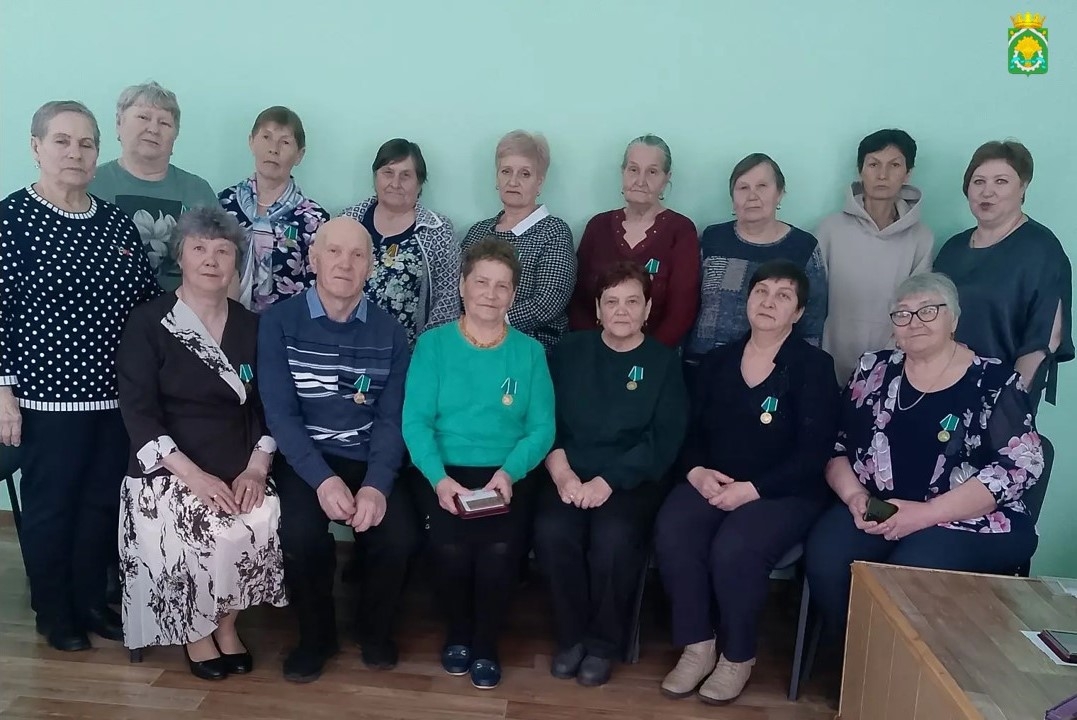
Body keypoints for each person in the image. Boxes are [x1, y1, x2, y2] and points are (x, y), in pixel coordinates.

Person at [805, 272, 1042, 654]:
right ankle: (858, 660)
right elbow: (836, 444)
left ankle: (901, 672)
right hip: (878, 504)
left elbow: (1019, 468)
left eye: (928, 310)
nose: (914, 321)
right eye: (902, 313)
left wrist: (927, 513)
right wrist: (854, 497)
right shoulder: (872, 370)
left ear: (954, 319)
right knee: (826, 555)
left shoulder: (995, 382)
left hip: (963, 518)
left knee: (910, 569)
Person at [0, 100, 160, 651]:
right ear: (36, 147)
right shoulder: (11, 219)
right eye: (62, 141)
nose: (76, 152)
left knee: (100, 505)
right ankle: (54, 611)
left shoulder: (114, 222)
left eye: (86, 143)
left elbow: (145, 304)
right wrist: (2, 391)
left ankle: (91, 602)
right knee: (52, 507)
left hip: (113, 399)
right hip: (45, 400)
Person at [655, 259, 839, 705]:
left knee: (735, 548)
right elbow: (689, 433)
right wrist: (697, 472)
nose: (769, 302)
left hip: (784, 491)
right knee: (674, 529)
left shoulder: (813, 366)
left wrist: (753, 489)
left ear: (798, 312)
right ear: (747, 299)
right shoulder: (717, 361)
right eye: (762, 292)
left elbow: (814, 453)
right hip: (715, 481)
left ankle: (737, 656)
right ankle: (697, 645)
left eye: (783, 296)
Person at [116, 207, 286, 680]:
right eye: (199, 248)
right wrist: (194, 477)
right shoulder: (148, 322)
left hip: (239, 458)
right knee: (190, 518)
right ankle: (195, 632)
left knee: (260, 512)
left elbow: (271, 406)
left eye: (223, 251)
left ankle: (226, 625)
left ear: (236, 263)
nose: (211, 259)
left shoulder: (254, 327)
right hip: (168, 463)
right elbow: (138, 410)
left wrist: (257, 468)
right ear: (181, 257)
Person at [257, 216, 418, 682]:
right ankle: (317, 637)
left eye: (357, 255)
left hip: (368, 455)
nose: (344, 264)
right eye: (334, 251)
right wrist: (322, 479)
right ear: (313, 259)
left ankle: (373, 629)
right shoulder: (278, 323)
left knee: (400, 536)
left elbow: (391, 419)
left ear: (370, 267)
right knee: (300, 536)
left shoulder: (390, 333)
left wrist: (377, 485)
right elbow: (281, 415)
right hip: (306, 458)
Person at [402, 237, 555, 690]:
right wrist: (438, 479)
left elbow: (542, 429)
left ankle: (486, 643)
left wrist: (509, 473)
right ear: (463, 286)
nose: (490, 293)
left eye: (502, 286)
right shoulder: (432, 346)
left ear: (513, 294)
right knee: (450, 550)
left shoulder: (530, 352)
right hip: (442, 471)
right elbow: (415, 423)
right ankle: (458, 634)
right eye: (481, 282)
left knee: (499, 552)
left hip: (508, 472)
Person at [535, 261, 688, 687]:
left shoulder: (663, 363)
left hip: (631, 480)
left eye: (632, 301)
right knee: (552, 532)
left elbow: (663, 439)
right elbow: (544, 419)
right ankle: (571, 636)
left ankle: (602, 643)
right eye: (612, 301)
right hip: (568, 471)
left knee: (613, 539)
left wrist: (607, 482)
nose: (622, 310)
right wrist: (563, 474)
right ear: (598, 309)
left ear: (648, 309)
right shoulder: (568, 351)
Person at [933, 140, 1073, 409]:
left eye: (1001, 181)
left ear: (1023, 187)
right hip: (940, 388)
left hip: (1002, 398)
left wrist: (1007, 404)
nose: (987, 192)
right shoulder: (952, 249)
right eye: (978, 182)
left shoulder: (1041, 250)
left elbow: (1046, 338)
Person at [684, 154, 828, 382]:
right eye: (743, 188)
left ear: (779, 193)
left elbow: (812, 321)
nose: (752, 196)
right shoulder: (712, 239)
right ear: (732, 197)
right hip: (702, 367)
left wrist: (801, 374)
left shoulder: (803, 247)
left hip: (771, 374)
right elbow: (688, 304)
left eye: (762, 186)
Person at [818, 129, 934, 385]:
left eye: (894, 165)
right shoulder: (830, 230)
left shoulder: (921, 238)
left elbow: (917, 309)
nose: (882, 175)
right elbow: (814, 301)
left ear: (908, 173)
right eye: (873, 164)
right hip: (829, 361)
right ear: (860, 170)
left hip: (892, 367)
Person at [567, 135, 700, 348]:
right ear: (623, 172)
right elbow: (577, 301)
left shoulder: (681, 230)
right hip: (594, 351)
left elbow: (681, 311)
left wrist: (643, 354)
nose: (640, 181)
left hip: (655, 354)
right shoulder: (597, 227)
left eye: (652, 172)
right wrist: (599, 349)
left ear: (666, 178)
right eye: (633, 169)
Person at [89, 81, 218, 291]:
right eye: (143, 117)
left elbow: (224, 266)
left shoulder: (198, 190)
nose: (153, 129)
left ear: (175, 135)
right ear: (119, 123)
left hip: (181, 310)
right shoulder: (89, 184)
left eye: (164, 123)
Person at [461, 130, 575, 352]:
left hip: (534, 347)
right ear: (497, 178)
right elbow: (461, 290)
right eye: (506, 171)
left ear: (539, 182)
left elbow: (548, 303)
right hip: (472, 343)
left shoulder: (554, 232)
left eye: (525, 174)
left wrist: (489, 323)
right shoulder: (477, 232)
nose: (513, 181)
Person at [341, 138, 460, 345]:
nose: (395, 184)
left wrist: (427, 353)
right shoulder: (348, 221)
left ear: (419, 183)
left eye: (406, 175)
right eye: (388, 173)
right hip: (344, 345)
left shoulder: (439, 231)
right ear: (375, 177)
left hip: (408, 352)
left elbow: (446, 303)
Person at [219, 106, 331, 312]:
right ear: (251, 142)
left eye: (285, 142)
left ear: (299, 155)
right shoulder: (224, 204)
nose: (274, 149)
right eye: (266, 137)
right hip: (222, 320)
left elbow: (320, 287)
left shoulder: (314, 219)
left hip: (286, 326)